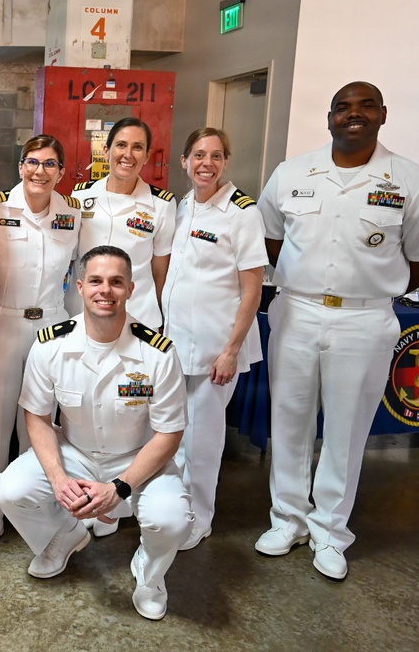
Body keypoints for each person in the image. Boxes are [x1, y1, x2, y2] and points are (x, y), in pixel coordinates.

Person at [255, 81, 419, 580]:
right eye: (343, 107)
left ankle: (329, 531)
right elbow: (268, 238)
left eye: (365, 105)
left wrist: (376, 284)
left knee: (347, 428)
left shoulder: (411, 179)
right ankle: (287, 519)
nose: (354, 114)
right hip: (297, 311)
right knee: (289, 420)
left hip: (365, 318)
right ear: (328, 118)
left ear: (382, 115)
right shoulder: (293, 173)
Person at [0, 246, 192, 621]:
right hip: (74, 450)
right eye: (97, 281)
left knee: (172, 519)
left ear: (131, 289)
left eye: (117, 282)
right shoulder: (51, 344)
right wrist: (57, 479)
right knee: (9, 490)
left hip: (137, 457)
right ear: (80, 287)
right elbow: (36, 415)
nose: (106, 290)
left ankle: (149, 575)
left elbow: (169, 433)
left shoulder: (158, 353)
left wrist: (120, 488)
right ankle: (62, 537)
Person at [162, 127, 267, 550]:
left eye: (217, 156)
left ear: (226, 162)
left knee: (203, 437)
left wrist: (231, 351)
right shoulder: (182, 206)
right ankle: (173, 508)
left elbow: (252, 289)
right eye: (199, 155)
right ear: (184, 160)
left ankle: (199, 515)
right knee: (173, 432)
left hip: (215, 348)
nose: (207, 163)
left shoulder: (241, 212)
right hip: (176, 343)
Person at [0, 134, 81, 539]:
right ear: (21, 167)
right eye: (33, 162)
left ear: (62, 172)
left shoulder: (72, 214)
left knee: (38, 425)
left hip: (52, 329)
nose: (40, 171)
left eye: (50, 164)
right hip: (1, 324)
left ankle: (27, 507)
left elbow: (79, 277)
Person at [68, 117, 176, 330]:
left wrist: (164, 317)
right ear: (106, 151)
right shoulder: (80, 196)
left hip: (138, 315)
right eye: (121, 145)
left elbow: (161, 271)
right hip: (81, 312)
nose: (128, 155)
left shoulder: (161, 204)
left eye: (137, 147)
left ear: (146, 156)